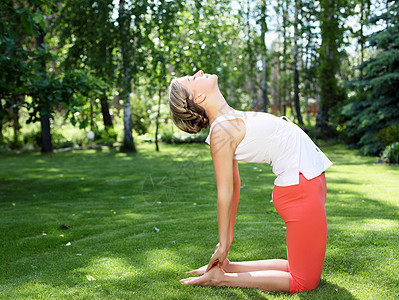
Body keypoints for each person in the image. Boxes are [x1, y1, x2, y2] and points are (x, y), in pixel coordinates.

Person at [167, 70, 333, 293]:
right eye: (193, 79)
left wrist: (227, 244)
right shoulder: (221, 132)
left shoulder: (228, 118)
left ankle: (227, 267)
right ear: (199, 99)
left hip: (305, 184)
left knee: (295, 267)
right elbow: (225, 192)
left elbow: (235, 186)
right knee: (304, 281)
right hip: (300, 190)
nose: (199, 72)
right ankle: (220, 279)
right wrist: (223, 242)